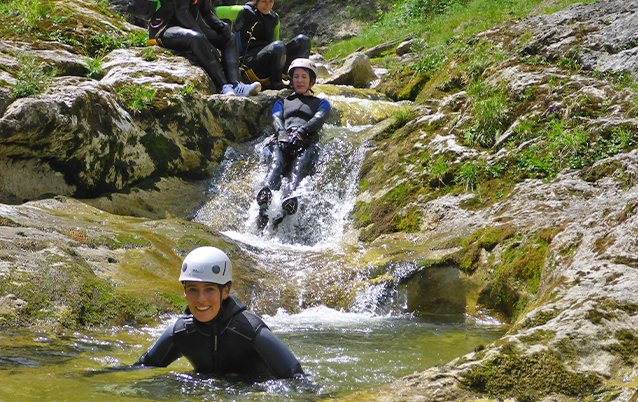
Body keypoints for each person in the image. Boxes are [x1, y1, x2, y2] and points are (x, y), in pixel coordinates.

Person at [134, 246, 304, 379]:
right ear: (184, 292)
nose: (201, 299)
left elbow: (297, 378)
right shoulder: (180, 332)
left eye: (209, 289)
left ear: (226, 291)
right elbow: (138, 369)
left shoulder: (251, 331)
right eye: (193, 289)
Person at [256, 58, 331, 230]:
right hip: (283, 138)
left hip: (305, 141)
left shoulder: (322, 103)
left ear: (311, 81)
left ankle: (290, 196)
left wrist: (302, 131)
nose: (299, 80)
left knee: (299, 167)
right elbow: (276, 117)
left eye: (304, 77)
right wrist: (282, 133)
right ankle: (266, 192)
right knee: (276, 164)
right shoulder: (282, 102)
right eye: (296, 77)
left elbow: (320, 118)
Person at [147, 0, 261, 96]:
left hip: (189, 27)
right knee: (197, 38)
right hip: (166, 28)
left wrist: (220, 25)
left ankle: (236, 85)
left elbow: (206, 12)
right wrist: (206, 41)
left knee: (228, 38)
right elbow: (182, 12)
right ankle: (223, 86)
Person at [234, 0, 311, 90]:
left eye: (270, 2)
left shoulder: (274, 17)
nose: (267, 5)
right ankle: (277, 85)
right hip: (252, 65)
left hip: (271, 60)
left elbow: (277, 42)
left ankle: (297, 80)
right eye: (264, 1)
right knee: (278, 46)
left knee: (303, 41)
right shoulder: (243, 11)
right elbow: (214, 12)